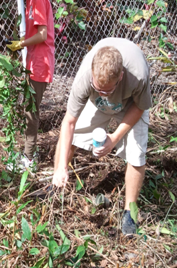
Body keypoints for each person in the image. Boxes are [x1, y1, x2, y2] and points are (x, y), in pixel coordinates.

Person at [52, 38, 152, 235]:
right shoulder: (85, 77)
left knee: (136, 153)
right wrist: (62, 167)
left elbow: (140, 107)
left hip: (130, 104)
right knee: (72, 137)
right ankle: (55, 187)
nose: (102, 92)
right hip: (96, 103)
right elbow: (69, 122)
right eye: (97, 87)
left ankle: (130, 213)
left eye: (107, 89)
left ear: (121, 76)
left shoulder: (138, 75)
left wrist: (113, 138)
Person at [6, 0, 55, 172]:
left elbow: (42, 35)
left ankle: (29, 157)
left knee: (31, 110)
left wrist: (21, 44)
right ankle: (28, 152)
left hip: (40, 65)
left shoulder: (38, 1)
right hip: (34, 63)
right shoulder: (29, 4)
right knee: (29, 108)